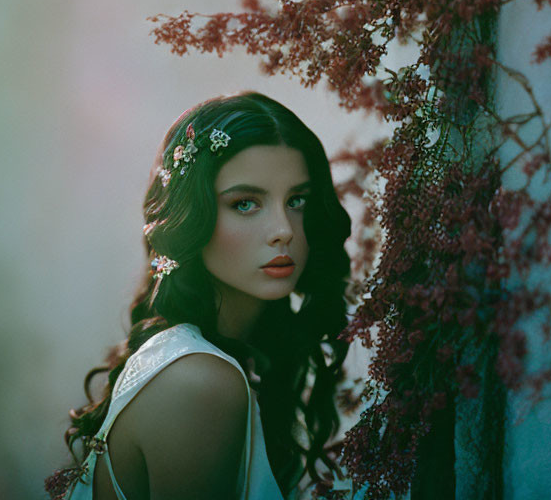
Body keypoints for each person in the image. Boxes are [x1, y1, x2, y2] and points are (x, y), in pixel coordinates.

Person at [46, 92, 351, 500]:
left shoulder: (220, 362)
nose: (285, 229)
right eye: (245, 203)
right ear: (194, 217)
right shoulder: (200, 382)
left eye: (297, 201)